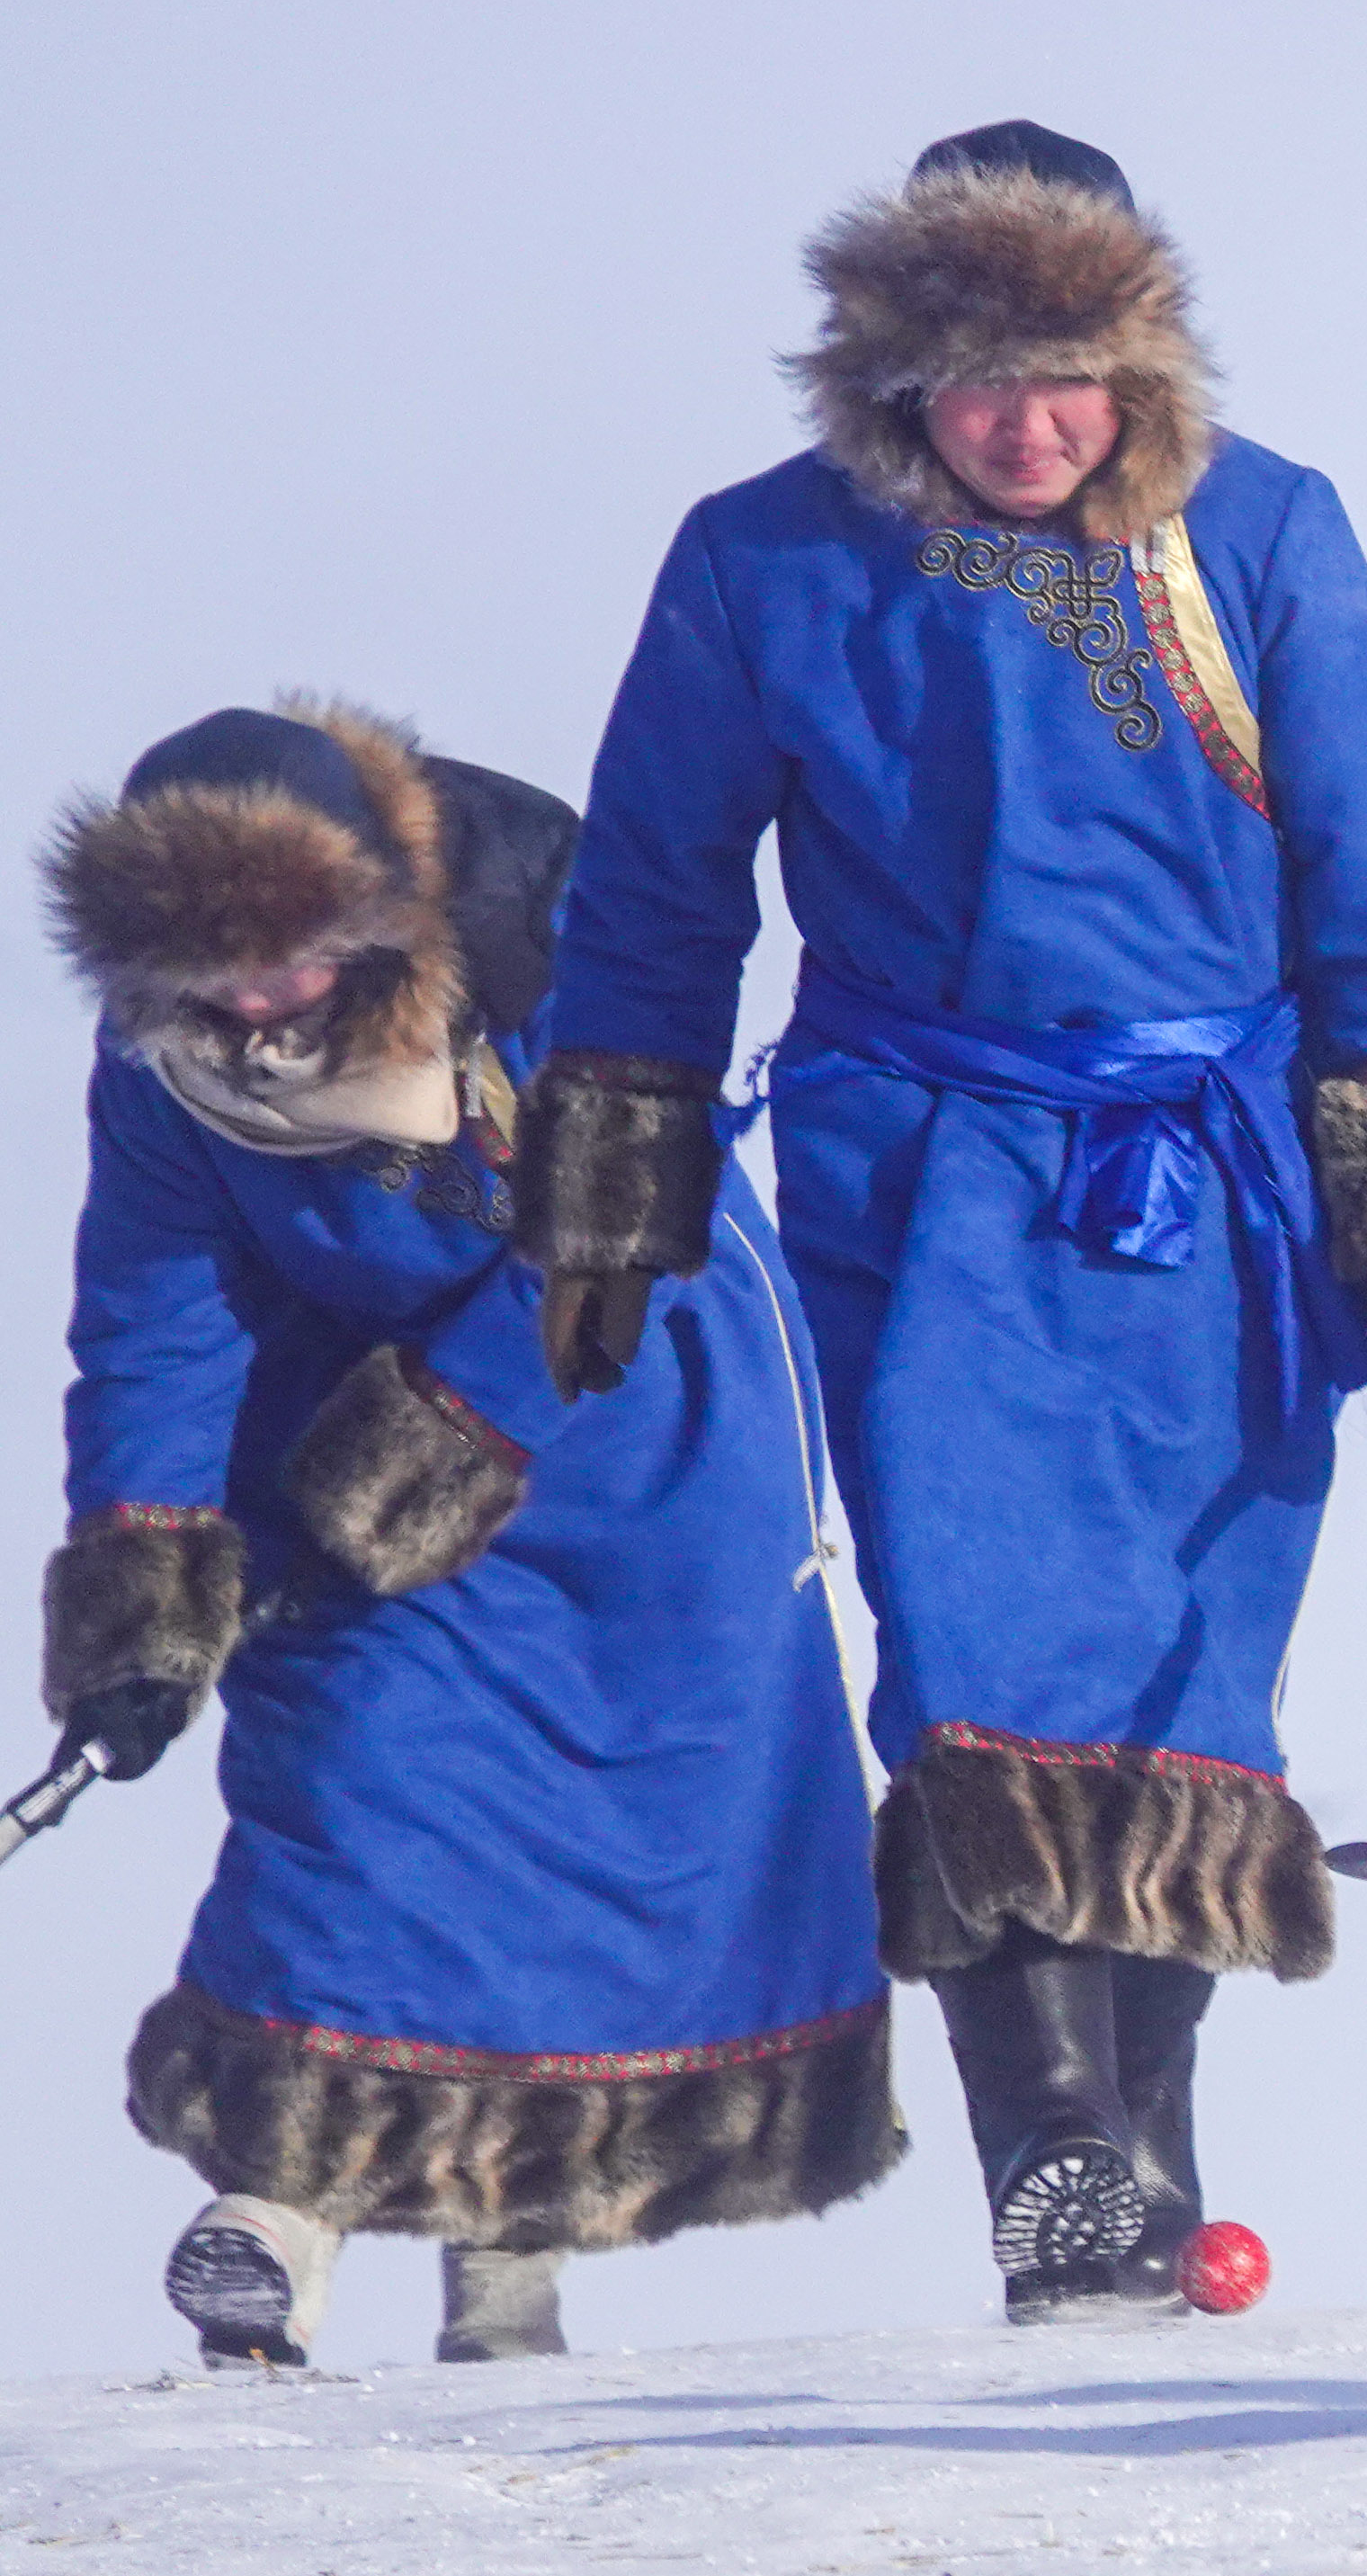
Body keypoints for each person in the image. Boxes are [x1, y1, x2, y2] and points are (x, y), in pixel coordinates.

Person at [519, 122, 1367, 2321]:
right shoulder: (760, 562)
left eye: (1066, 371)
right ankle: (1054, 2151)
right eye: (974, 371)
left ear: (1137, 365)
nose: (1024, 418)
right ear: (888, 371)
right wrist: (618, 1194)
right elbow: (658, 895)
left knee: (1188, 1696)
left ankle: (1130, 2181)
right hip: (929, 1172)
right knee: (977, 1671)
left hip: (1231, 1189)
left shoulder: (1260, 533)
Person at [40, 702, 891, 2368]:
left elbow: (623, 1214)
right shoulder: (163, 1074)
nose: (258, 1005)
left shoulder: (557, 948)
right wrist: (147, 1585)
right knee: (352, 1787)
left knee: (593, 1859)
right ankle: (273, 2222)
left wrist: (444, 1429)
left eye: (287, 955)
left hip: (645, 1414)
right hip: (362, 1426)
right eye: (215, 974)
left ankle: (506, 2282)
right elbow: (155, 1322)